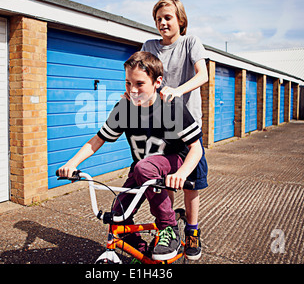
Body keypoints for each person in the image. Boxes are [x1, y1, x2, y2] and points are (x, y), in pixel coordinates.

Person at [57, 51, 203, 261]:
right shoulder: (124, 109)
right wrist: (71, 164)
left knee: (143, 167)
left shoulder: (172, 106)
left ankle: (168, 228)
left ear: (157, 82)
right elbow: (98, 139)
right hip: (143, 168)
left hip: (172, 162)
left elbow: (196, 148)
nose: (133, 90)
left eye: (140, 84)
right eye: (128, 83)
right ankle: (142, 249)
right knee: (118, 215)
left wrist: (181, 173)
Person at [141, 0, 209, 260]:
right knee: (162, 181)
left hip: (188, 126)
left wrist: (177, 91)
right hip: (159, 128)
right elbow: (140, 74)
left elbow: (202, 75)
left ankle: (192, 230)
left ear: (180, 20)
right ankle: (168, 228)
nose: (162, 23)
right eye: (158, 18)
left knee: (191, 182)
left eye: (168, 17)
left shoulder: (191, 42)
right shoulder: (149, 46)